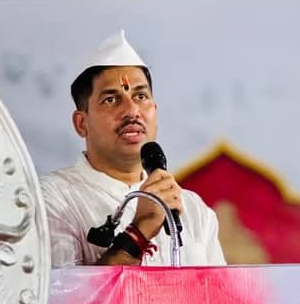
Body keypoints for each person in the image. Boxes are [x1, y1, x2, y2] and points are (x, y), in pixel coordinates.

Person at [40, 30, 226, 267]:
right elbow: (64, 291)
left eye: (140, 96)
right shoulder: (52, 200)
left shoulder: (193, 209)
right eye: (111, 99)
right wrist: (139, 231)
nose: (131, 110)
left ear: (155, 111)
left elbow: (219, 291)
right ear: (82, 123)